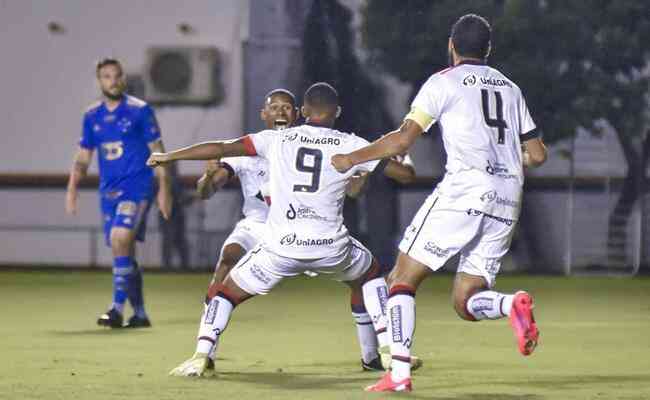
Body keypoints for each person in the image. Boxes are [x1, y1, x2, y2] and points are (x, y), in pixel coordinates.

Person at [331, 14, 548, 392]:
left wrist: (353, 159)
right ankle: (510, 304)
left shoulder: (442, 82)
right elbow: (538, 154)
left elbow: (402, 141)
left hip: (465, 190)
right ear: (489, 50)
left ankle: (398, 374)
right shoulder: (511, 88)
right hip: (508, 196)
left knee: (400, 279)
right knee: (466, 300)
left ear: (451, 46)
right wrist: (508, 161)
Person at [147, 82, 417, 377]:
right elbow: (403, 175)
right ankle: (387, 350)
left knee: (225, 293)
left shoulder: (277, 141)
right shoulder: (350, 143)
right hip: (331, 247)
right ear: (337, 112)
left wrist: (170, 156)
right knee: (371, 274)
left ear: (301, 111)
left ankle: (201, 354)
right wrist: (396, 156)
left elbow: (222, 147)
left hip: (281, 246)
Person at [65, 58, 172, 328]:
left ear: (123, 78)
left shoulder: (140, 110)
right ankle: (140, 313)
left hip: (137, 188)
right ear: (99, 81)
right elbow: (83, 156)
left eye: (116, 75)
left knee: (120, 236)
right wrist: (72, 188)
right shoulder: (92, 116)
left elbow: (158, 150)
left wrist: (164, 190)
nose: (112, 80)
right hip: (108, 192)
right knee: (123, 249)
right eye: (106, 76)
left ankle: (115, 308)